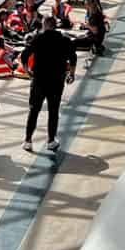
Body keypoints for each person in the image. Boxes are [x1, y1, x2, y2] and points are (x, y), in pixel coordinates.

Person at [24, 15, 78, 154]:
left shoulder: (38, 38)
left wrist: (27, 71)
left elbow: (24, 55)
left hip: (39, 80)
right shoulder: (64, 39)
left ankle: (28, 141)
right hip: (56, 80)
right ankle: (51, 141)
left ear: (45, 25)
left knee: (34, 110)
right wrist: (71, 74)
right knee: (53, 111)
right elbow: (73, 57)